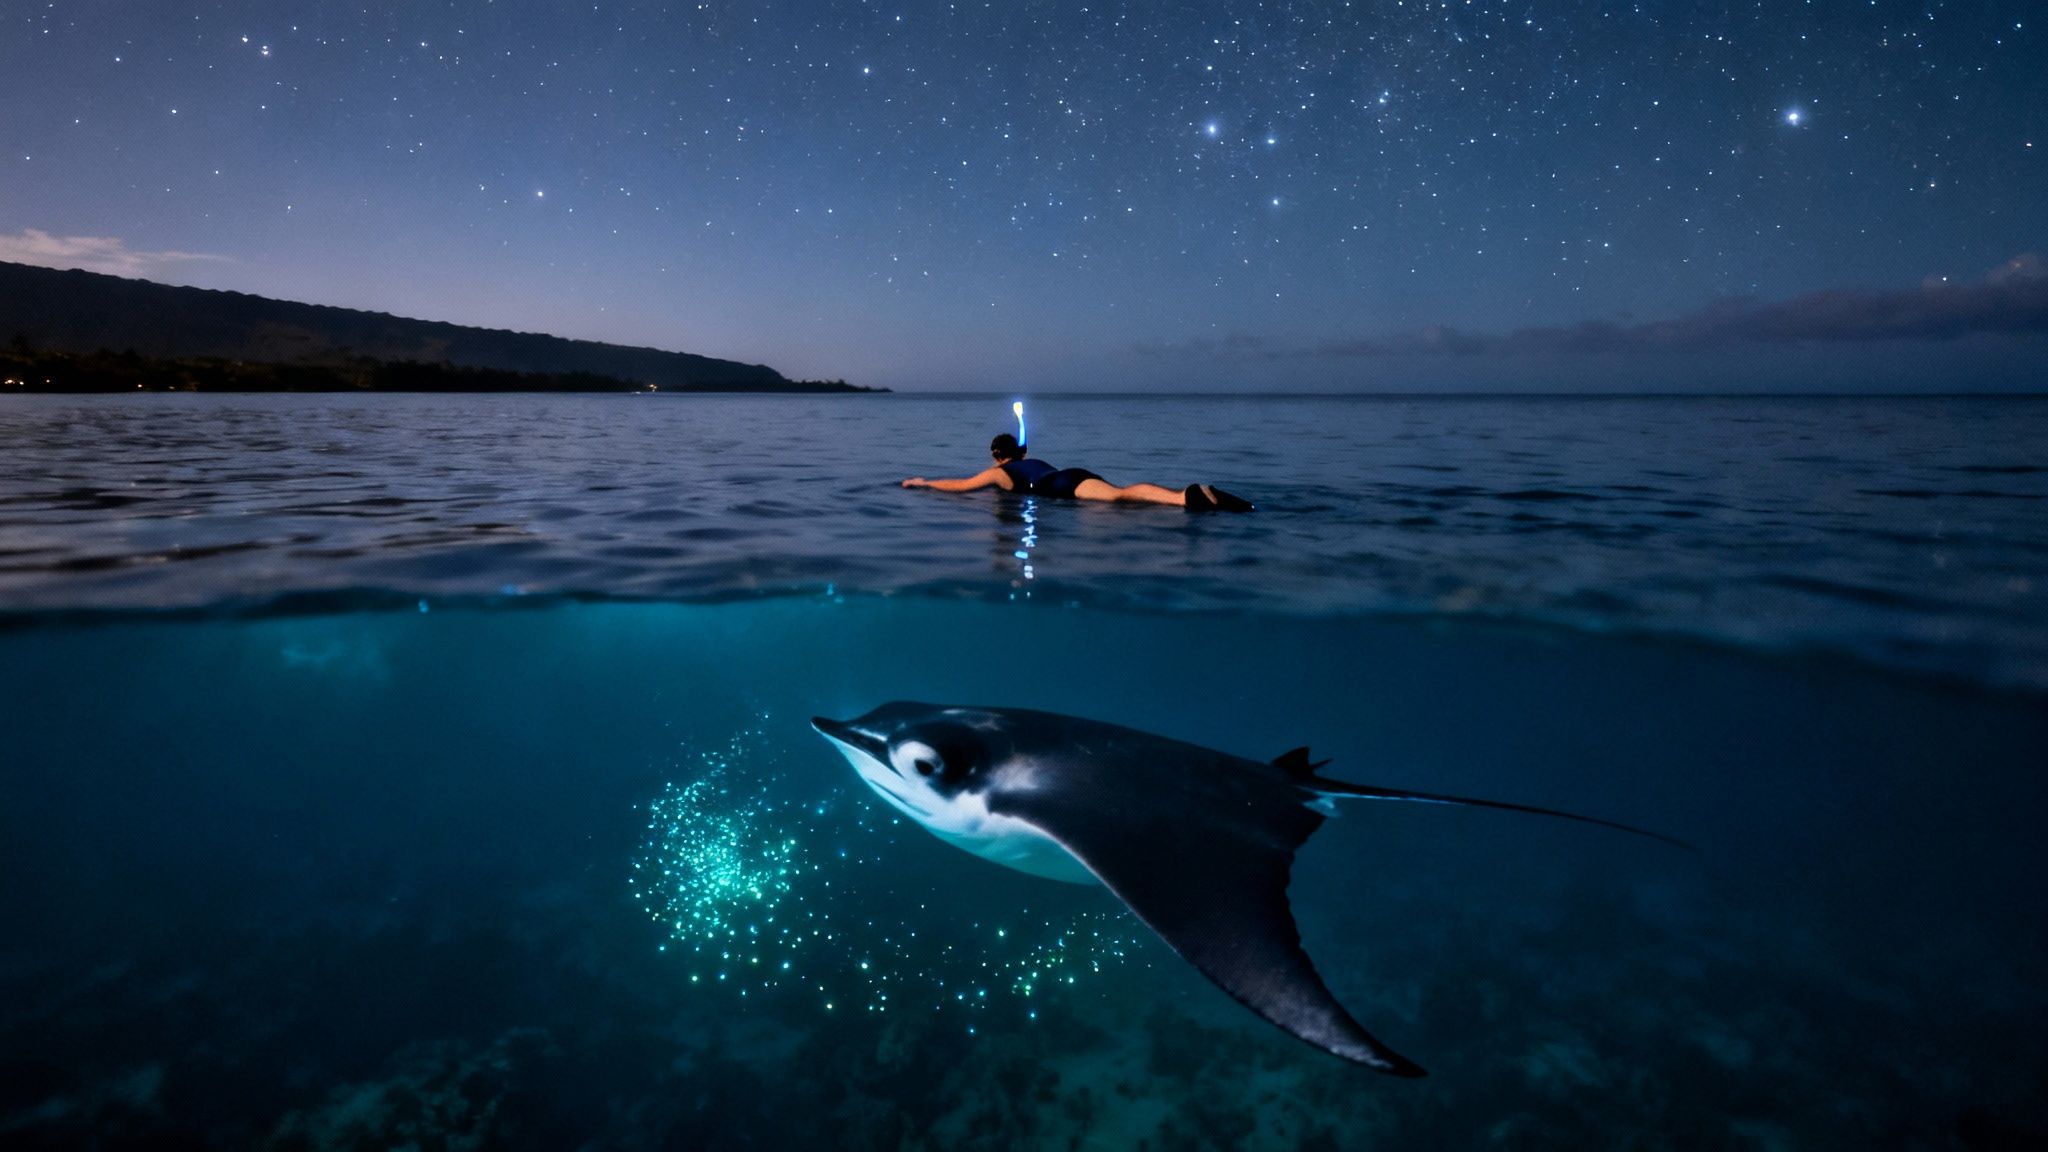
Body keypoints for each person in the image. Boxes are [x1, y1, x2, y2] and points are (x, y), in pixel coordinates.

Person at [901, 434, 1254, 511]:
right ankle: (1182, 496)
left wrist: (923, 483)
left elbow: (961, 486)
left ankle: (1186, 498)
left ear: (996, 457)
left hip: (1059, 487)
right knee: (1120, 494)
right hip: (1070, 474)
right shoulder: (1029, 461)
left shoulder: (999, 473)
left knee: (1119, 500)